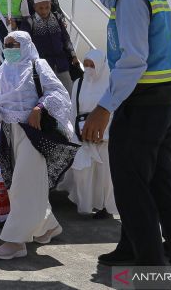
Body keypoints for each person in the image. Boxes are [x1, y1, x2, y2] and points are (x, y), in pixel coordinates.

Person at [81, 0, 171, 269]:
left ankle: (151, 272)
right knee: (163, 189)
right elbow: (120, 4)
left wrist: (104, 108)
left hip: (140, 106)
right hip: (163, 107)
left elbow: (133, 60)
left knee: (133, 194)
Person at [0, 31, 78, 260]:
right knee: (17, 184)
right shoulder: (2, 70)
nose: (9, 48)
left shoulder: (39, 65)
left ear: (25, 44)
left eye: (14, 44)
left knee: (24, 184)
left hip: (33, 133)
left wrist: (40, 107)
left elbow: (58, 93)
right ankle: (48, 226)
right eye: (6, 44)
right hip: (9, 131)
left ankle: (16, 241)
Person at [58, 49, 117, 218]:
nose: (90, 68)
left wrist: (103, 132)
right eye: (87, 64)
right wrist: (75, 135)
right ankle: (86, 205)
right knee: (83, 173)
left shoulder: (111, 84)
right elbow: (73, 110)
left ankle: (106, 208)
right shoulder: (79, 83)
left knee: (105, 177)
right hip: (83, 137)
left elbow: (114, 110)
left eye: (93, 65)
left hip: (104, 139)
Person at [18, 0, 78, 92]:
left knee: (68, 92)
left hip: (61, 64)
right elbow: (24, 44)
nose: (44, 11)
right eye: (40, 8)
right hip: (43, 67)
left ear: (50, 4)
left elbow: (65, 38)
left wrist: (73, 55)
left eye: (47, 7)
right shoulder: (29, 21)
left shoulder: (57, 18)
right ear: (34, 7)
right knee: (48, 93)